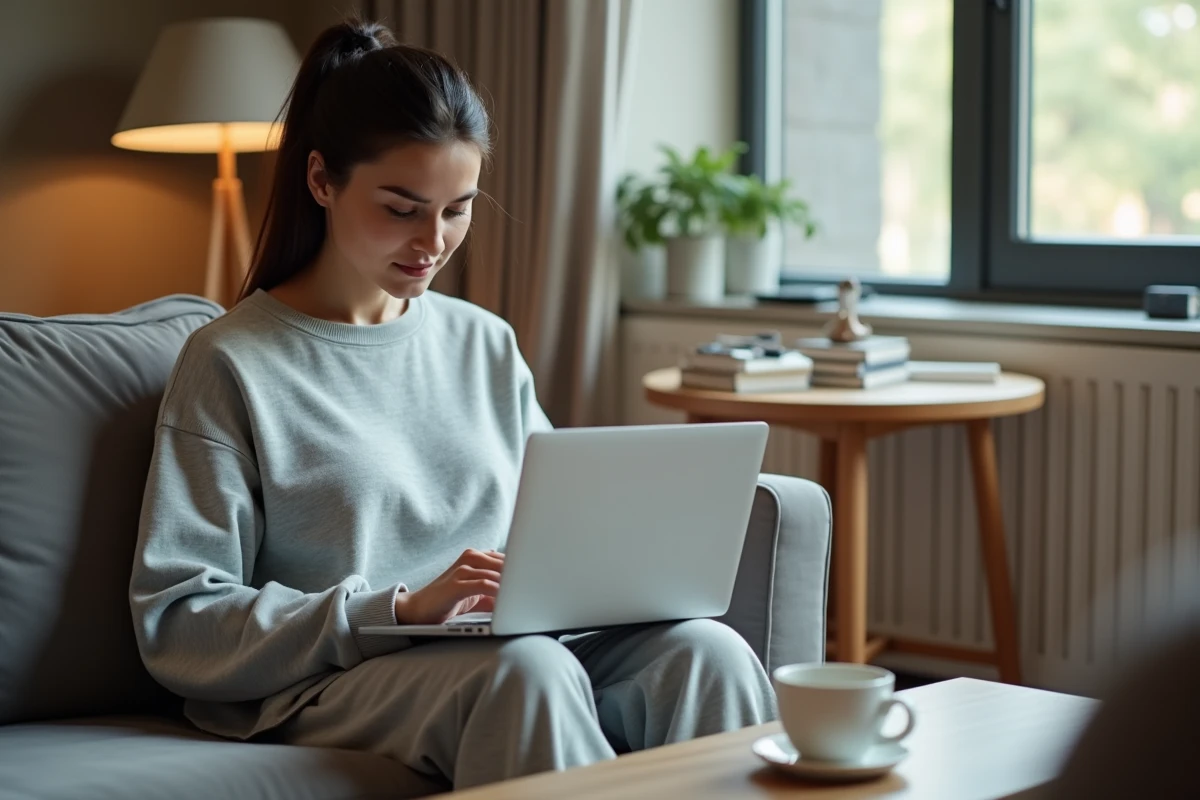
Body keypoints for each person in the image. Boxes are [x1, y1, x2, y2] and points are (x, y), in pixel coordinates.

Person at [128, 18, 776, 791]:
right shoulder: (233, 361)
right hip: (338, 675)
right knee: (526, 673)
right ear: (321, 180)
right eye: (402, 208)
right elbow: (178, 621)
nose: (433, 241)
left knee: (709, 653)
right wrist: (398, 609)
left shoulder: (484, 342)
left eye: (458, 207)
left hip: (510, 641)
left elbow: (557, 528)